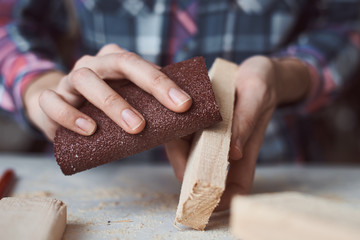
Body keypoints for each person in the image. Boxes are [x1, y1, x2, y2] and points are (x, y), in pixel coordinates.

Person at [1, 0, 359, 210]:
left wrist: (289, 76)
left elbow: (346, 22)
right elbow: (12, 22)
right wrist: (40, 88)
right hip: (98, 190)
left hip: (273, 174)